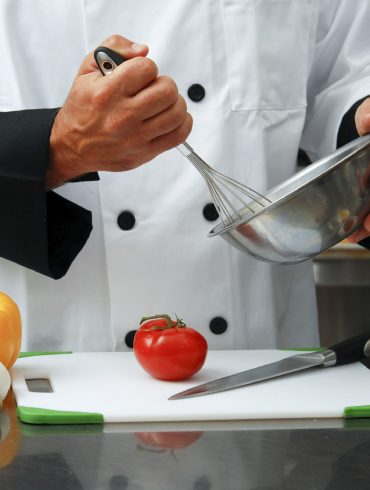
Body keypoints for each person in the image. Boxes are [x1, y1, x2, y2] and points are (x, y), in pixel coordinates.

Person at [0, 0, 370, 353]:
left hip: (262, 364)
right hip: (58, 362)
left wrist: (361, 133)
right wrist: (60, 147)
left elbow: (347, 76)